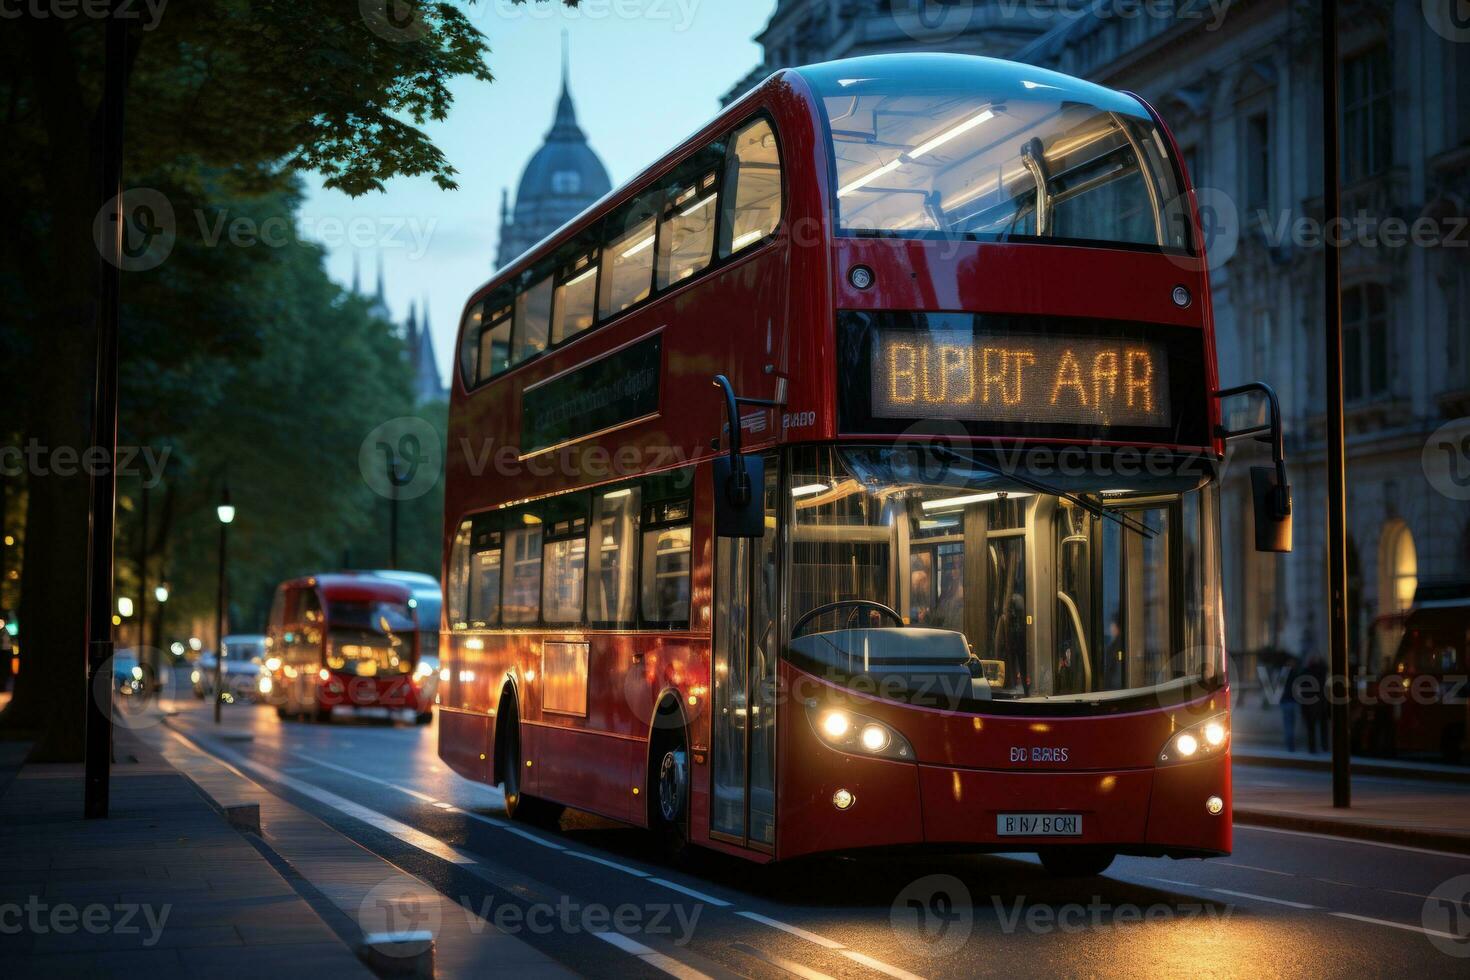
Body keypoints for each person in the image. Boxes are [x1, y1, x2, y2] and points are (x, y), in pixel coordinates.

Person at [1301, 654, 1329, 753]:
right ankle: (1324, 746)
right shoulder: (1322, 672)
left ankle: (1313, 748)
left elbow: (1303, 692)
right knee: (1323, 728)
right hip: (1321, 705)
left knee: (1311, 729)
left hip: (1310, 705)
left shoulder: (1306, 672)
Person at [1278, 655, 1301, 752]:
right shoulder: (1295, 673)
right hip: (1290, 701)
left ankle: (1290, 744)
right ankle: (1291, 745)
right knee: (1290, 724)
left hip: (1287, 701)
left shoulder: (1285, 673)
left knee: (1289, 724)